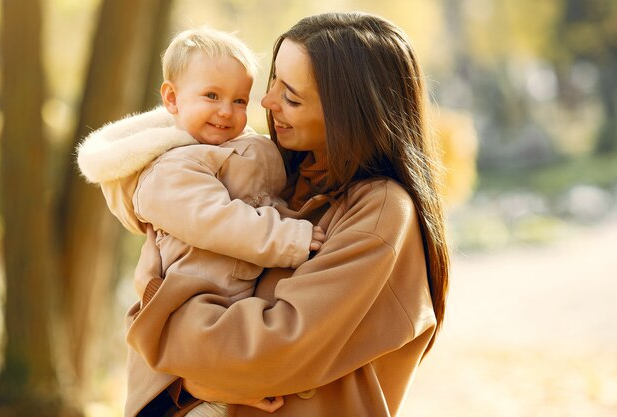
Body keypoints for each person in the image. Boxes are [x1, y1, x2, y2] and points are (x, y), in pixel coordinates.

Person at [107, 11, 450, 416]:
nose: (266, 102)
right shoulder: (277, 178)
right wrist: (185, 380)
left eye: (291, 96)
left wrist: (159, 312)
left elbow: (272, 349)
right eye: (272, 82)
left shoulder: (379, 213)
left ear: (347, 114)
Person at [77, 27, 326, 416]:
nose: (227, 111)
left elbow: (264, 200)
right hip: (192, 316)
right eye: (211, 96)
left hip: (222, 312)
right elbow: (217, 221)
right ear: (172, 98)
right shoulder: (170, 167)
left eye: (239, 99)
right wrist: (290, 238)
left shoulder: (224, 151)